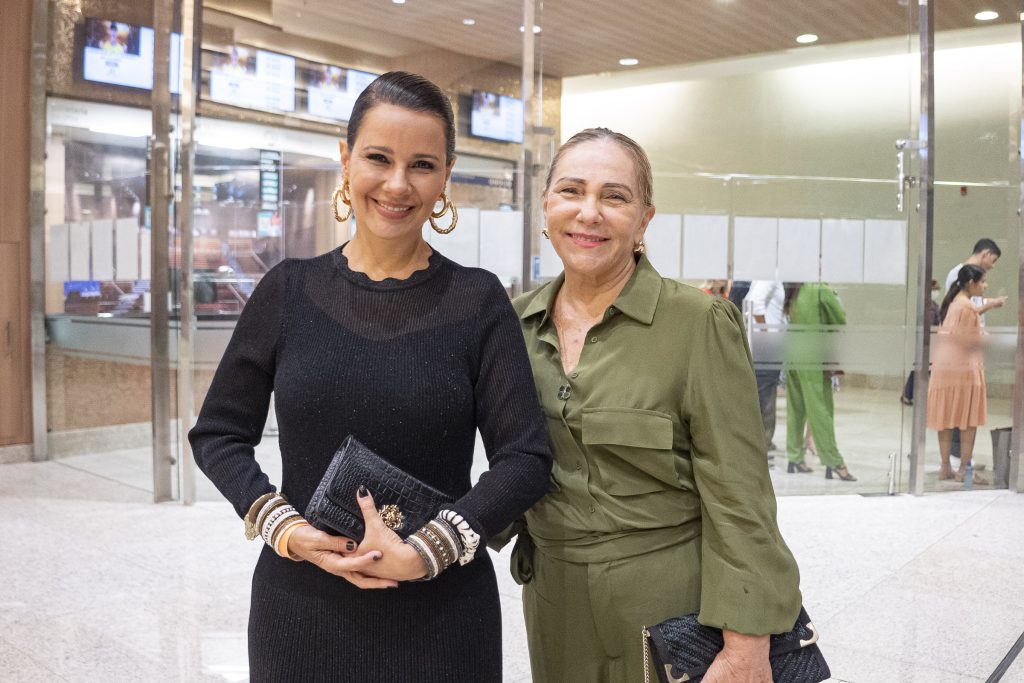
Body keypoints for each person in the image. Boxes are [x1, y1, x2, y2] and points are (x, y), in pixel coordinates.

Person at [189, 71, 552, 682]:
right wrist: (282, 526)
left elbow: (525, 457)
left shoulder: (478, 301)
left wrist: (429, 550)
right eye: (378, 158)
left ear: (446, 175)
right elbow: (218, 433)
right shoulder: (288, 291)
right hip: (301, 608)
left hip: (441, 613)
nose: (397, 184)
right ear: (346, 158)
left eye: (422, 165)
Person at [507, 128, 802, 682]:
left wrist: (746, 643)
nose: (589, 212)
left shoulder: (697, 323)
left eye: (614, 197)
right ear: (546, 205)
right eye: (571, 190)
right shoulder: (513, 325)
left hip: (669, 608)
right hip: (553, 600)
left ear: (644, 220)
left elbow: (739, 493)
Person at [784, 283, 857, 481]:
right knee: (821, 409)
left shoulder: (794, 287)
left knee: (795, 408)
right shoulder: (820, 289)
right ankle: (834, 461)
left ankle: (794, 457)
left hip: (793, 352)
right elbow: (840, 319)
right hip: (814, 355)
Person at [927, 264, 991, 485]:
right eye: (983, 282)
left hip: (944, 368)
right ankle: (964, 469)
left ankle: (945, 467)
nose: (985, 286)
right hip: (964, 369)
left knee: (945, 418)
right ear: (971, 283)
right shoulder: (968, 308)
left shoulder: (953, 303)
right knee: (968, 420)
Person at [942, 239, 1006, 458]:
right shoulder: (959, 283)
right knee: (961, 407)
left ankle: (959, 459)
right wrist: (989, 306)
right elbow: (965, 313)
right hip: (962, 354)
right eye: (993, 260)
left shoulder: (968, 299)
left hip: (968, 353)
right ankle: (957, 458)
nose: (985, 286)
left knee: (965, 406)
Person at [745, 279, 785, 451]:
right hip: (767, 346)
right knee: (765, 395)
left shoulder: (767, 278)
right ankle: (763, 441)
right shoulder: (769, 277)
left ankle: (761, 440)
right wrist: (765, 333)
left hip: (763, 345)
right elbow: (754, 302)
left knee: (763, 392)